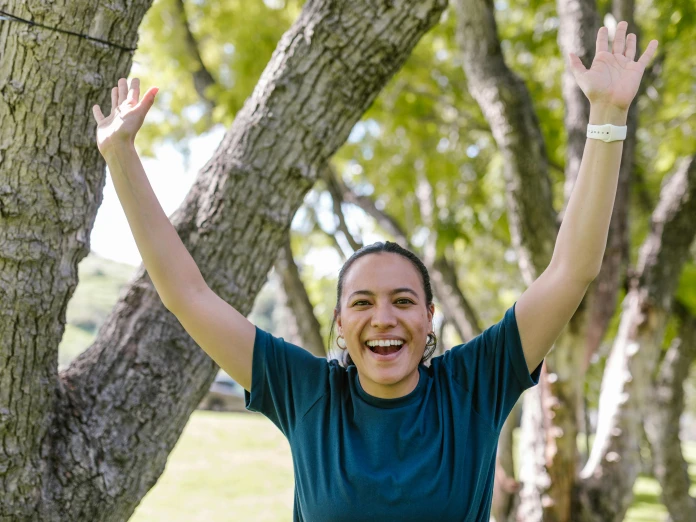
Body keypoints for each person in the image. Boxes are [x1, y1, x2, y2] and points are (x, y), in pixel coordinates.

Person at [92, 20, 656, 522]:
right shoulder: (308, 393)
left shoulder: (473, 386)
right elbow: (187, 294)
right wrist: (121, 155)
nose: (383, 318)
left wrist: (606, 118)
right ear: (340, 323)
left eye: (403, 301)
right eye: (361, 303)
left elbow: (571, 272)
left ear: (429, 317)